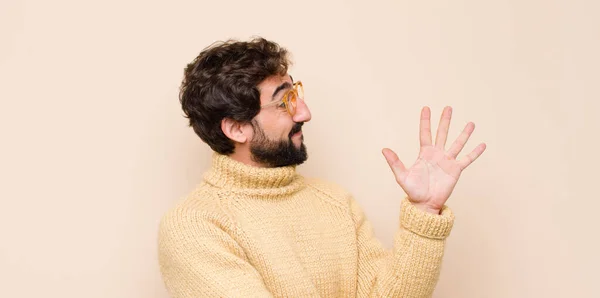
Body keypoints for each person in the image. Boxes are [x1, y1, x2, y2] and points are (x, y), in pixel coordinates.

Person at [157, 37, 486, 298]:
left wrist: (425, 212)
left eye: (296, 93)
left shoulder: (335, 202)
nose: (304, 112)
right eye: (285, 101)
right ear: (236, 128)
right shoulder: (194, 227)